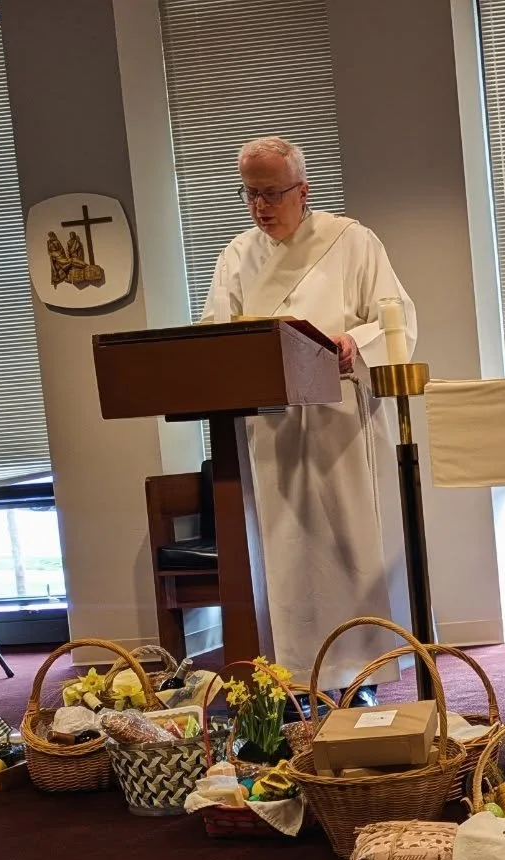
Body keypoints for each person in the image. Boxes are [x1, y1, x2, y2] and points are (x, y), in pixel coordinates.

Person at [201, 136, 415, 694]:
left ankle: (357, 671)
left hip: (337, 420)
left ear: (303, 189)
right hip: (268, 423)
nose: (260, 207)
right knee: (285, 554)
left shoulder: (351, 241)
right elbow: (212, 337)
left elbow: (396, 318)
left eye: (272, 193)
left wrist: (353, 342)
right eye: (251, 194)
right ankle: (291, 676)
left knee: (343, 548)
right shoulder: (236, 256)